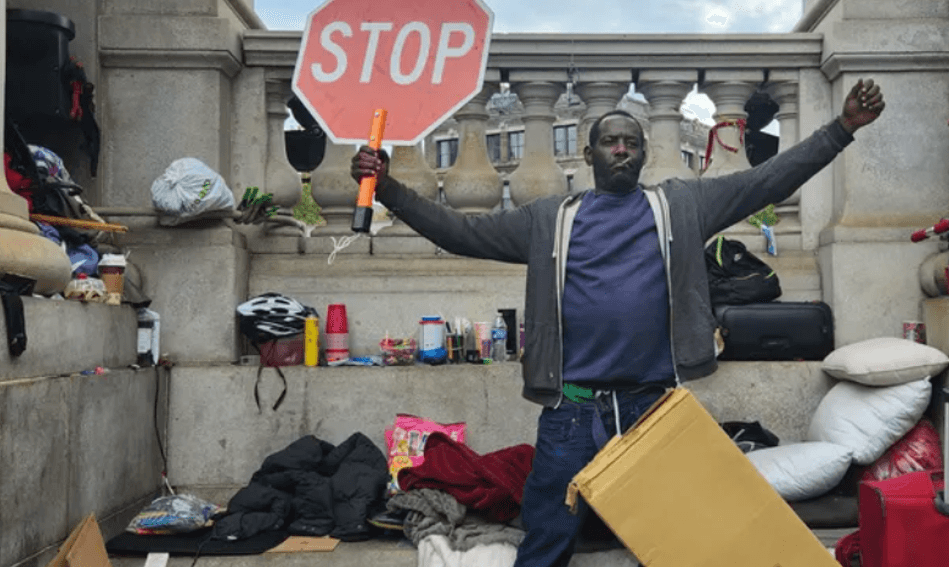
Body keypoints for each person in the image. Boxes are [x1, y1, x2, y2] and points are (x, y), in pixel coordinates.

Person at [351, 78, 885, 567]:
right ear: (590, 155)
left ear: (644, 153)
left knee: (680, 533)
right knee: (547, 536)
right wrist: (391, 190)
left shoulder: (679, 205)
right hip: (573, 412)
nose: (622, 149)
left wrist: (841, 129)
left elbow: (767, 181)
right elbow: (460, 234)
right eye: (611, 142)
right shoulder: (548, 220)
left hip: (650, 405)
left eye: (631, 142)